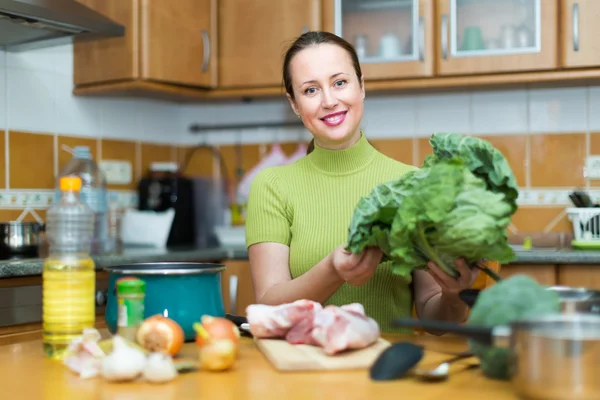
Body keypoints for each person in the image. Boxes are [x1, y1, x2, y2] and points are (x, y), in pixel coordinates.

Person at [244, 31, 478, 333]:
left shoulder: (413, 184)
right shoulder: (272, 185)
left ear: (361, 86)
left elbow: (436, 318)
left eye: (340, 82)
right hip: (303, 372)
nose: (329, 101)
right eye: (311, 90)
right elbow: (268, 306)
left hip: (386, 370)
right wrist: (332, 270)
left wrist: (455, 293)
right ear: (294, 104)